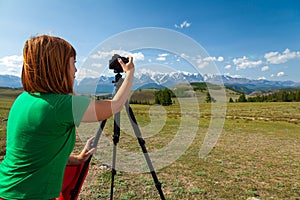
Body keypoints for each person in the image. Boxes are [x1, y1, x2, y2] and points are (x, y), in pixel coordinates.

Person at [0, 35, 135, 199]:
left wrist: (76, 159)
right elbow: (115, 105)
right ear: (59, 67)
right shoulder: (60, 106)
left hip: (9, 189)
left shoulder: (25, 99)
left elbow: (35, 155)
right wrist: (129, 74)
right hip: (30, 195)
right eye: (73, 63)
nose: (76, 70)